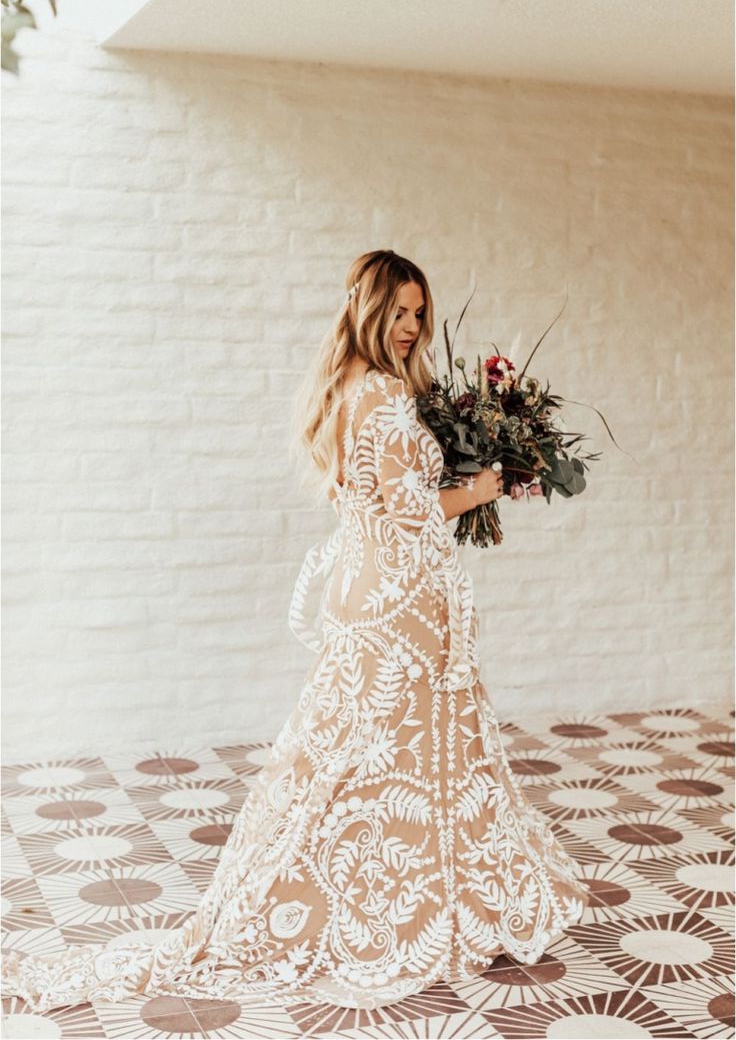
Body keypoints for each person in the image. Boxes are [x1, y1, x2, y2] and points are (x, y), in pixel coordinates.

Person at [2, 249, 588, 1013]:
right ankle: (398, 905)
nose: (411, 327)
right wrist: (479, 487)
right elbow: (407, 507)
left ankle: (367, 885)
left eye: (420, 314)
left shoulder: (349, 388)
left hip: (369, 589)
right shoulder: (379, 395)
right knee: (391, 751)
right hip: (398, 599)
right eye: (400, 312)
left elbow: (375, 499)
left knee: (365, 752)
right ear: (368, 310)